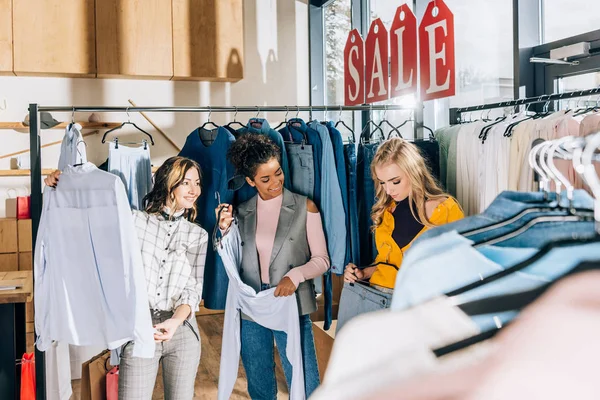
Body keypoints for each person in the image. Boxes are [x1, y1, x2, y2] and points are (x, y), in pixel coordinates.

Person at [44, 156, 208, 400]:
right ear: (168, 183)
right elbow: (90, 217)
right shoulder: (134, 222)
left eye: (197, 183)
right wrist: (63, 184)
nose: (194, 190)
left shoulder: (198, 235)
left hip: (182, 331)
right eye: (186, 182)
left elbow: (192, 291)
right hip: (140, 327)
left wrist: (174, 323)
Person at [216, 134, 330, 399]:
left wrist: (295, 275)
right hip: (253, 305)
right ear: (250, 181)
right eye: (265, 179)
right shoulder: (242, 212)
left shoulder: (305, 206)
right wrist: (224, 230)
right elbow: (233, 255)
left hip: (289, 301)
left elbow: (322, 260)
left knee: (305, 378)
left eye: (278, 173)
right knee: (259, 383)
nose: (276, 182)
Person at [344, 138, 464, 291]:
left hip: (422, 304)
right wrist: (363, 273)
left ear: (414, 172)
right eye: (382, 182)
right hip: (380, 299)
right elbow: (385, 263)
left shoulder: (445, 209)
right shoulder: (386, 211)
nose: (388, 190)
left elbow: (459, 268)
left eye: (395, 181)